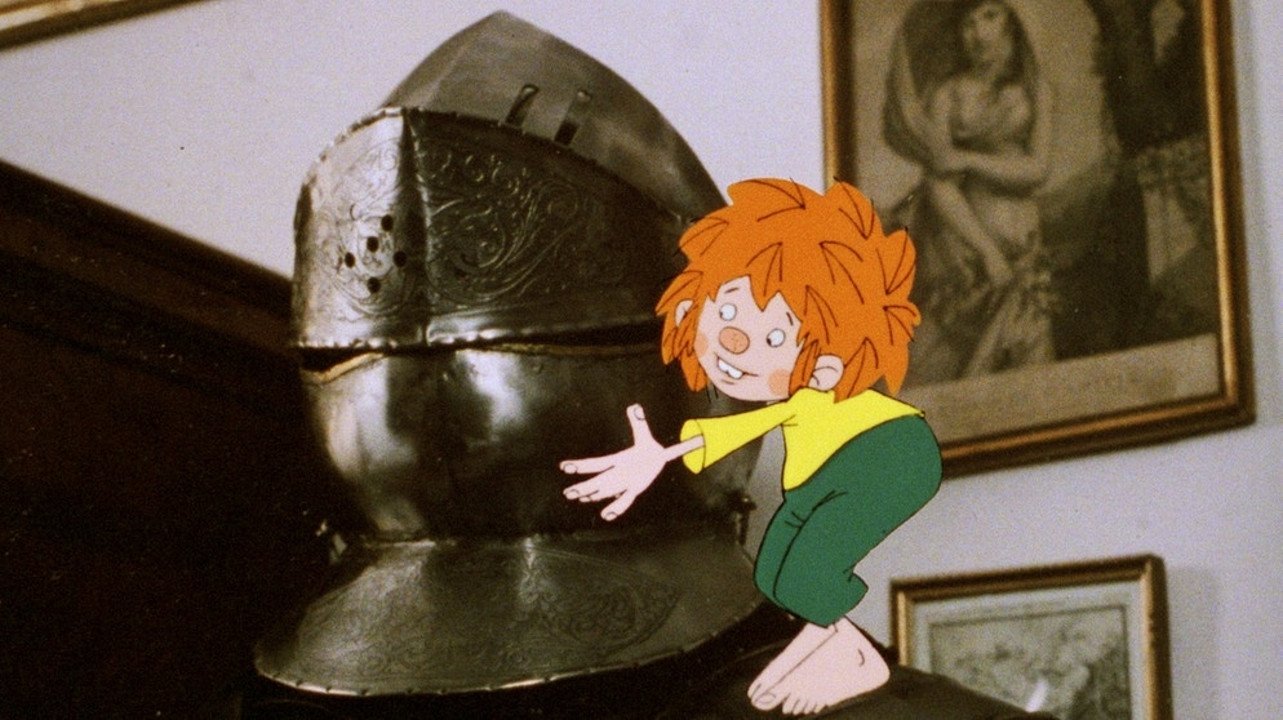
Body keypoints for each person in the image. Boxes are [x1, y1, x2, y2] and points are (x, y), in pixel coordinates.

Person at [561, 179, 942, 716]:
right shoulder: (798, 397)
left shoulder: (819, 391)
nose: (733, 341)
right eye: (727, 311)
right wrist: (659, 457)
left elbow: (749, 425)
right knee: (772, 572)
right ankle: (824, 638)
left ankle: (857, 656)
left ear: (826, 365)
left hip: (888, 455)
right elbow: (744, 426)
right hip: (824, 475)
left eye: (776, 336)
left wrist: (666, 456)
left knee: (807, 573)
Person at [884, 0, 1055, 382]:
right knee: (944, 371)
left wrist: (967, 160)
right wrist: (987, 252)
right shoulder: (947, 94)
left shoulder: (1035, 89)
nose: (979, 33)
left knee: (1029, 372)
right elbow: (938, 182)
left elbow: (1037, 170)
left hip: (1023, 249)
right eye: (969, 23)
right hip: (961, 251)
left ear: (1011, 22)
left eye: (990, 16)